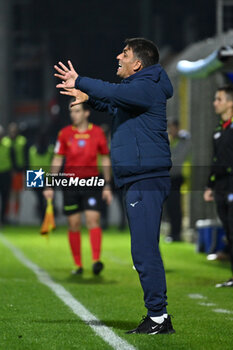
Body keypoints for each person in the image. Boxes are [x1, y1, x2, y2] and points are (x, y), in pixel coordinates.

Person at [54, 37, 175, 335]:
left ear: (138, 64)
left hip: (145, 178)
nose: (118, 57)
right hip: (139, 177)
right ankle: (158, 315)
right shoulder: (139, 88)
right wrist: (88, 98)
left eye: (125, 53)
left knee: (144, 250)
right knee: (144, 249)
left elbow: (111, 92)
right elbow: (110, 102)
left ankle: (158, 316)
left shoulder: (146, 86)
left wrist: (80, 79)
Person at [44, 101, 112, 276]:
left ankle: (96, 261)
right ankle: (78, 264)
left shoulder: (97, 133)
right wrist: (49, 183)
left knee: (92, 220)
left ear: (86, 113)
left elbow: (105, 158)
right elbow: (57, 159)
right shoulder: (65, 134)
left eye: (77, 111)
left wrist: (107, 184)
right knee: (74, 224)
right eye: (71, 111)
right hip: (70, 185)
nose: (73, 114)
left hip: (91, 183)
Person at [204, 85, 233, 288]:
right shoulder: (218, 130)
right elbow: (215, 161)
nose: (215, 103)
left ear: (230, 103)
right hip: (221, 185)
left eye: (219, 99)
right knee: (229, 230)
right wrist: (209, 185)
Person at [164, 119, 191, 242]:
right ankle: (172, 232)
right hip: (168, 177)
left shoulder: (183, 141)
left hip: (177, 177)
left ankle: (177, 233)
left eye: (172, 127)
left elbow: (179, 158)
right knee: (169, 207)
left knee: (175, 206)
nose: (171, 130)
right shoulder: (170, 141)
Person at [7, 122, 28, 223]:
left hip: (19, 171)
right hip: (7, 171)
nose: (13, 132)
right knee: (8, 194)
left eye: (14, 130)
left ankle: (16, 216)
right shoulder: (6, 142)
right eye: (11, 130)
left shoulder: (22, 141)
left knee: (16, 194)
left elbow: (25, 156)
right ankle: (7, 215)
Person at [0, 125, 15, 226]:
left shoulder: (8, 144)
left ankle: (3, 218)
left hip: (6, 173)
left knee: (5, 197)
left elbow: (13, 158)